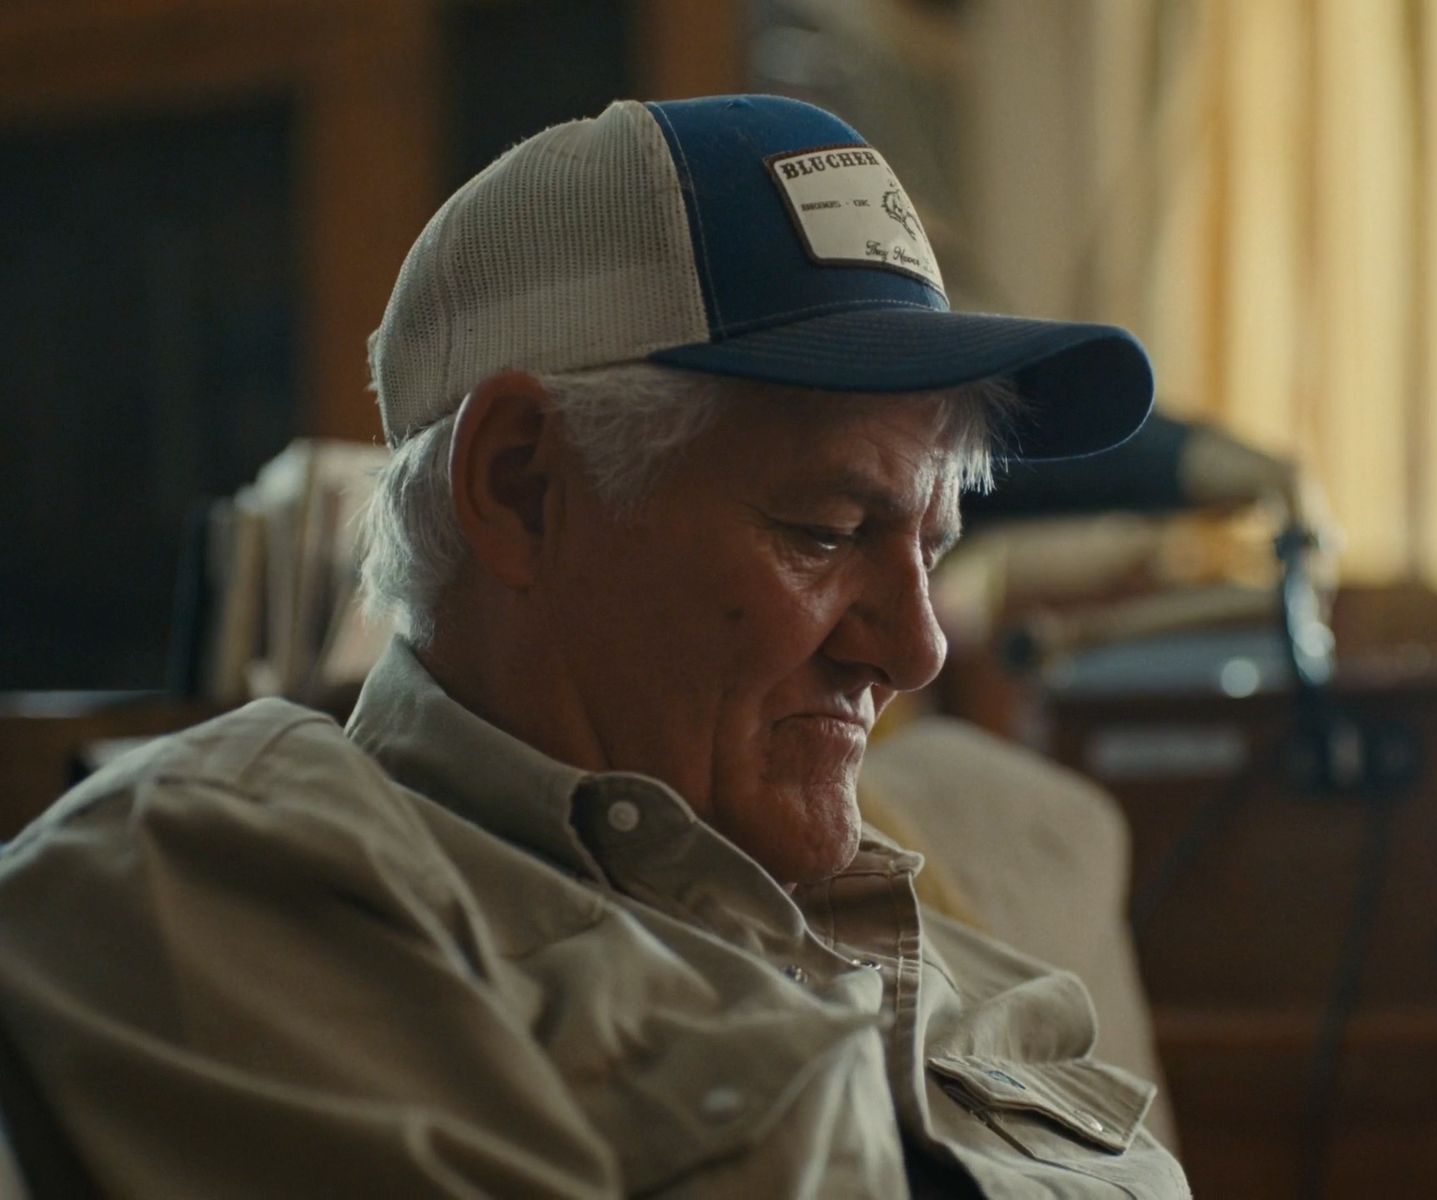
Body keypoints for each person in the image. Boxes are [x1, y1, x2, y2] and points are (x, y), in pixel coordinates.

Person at [0, 95, 1187, 1197]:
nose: (917, 650)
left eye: (930, 549)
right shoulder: (219, 877)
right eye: (825, 531)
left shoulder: (985, 985)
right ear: (520, 489)